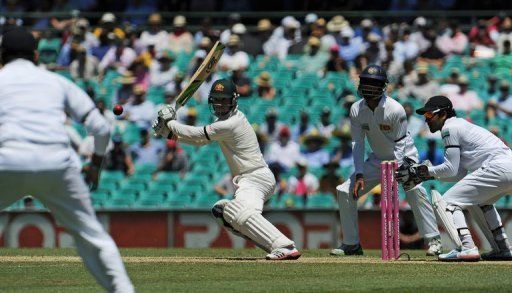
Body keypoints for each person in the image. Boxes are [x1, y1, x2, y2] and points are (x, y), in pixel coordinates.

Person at [0, 28, 133, 292]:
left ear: (1, 55)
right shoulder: (55, 82)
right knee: (93, 236)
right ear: (36, 55)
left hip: (7, 162)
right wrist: (95, 166)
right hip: (57, 164)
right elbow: (102, 128)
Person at [152, 78, 301, 260]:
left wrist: (170, 122)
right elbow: (199, 141)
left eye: (224, 100)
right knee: (224, 211)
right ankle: (274, 247)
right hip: (252, 178)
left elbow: (197, 133)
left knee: (235, 210)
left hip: (256, 177)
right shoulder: (225, 123)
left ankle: (285, 246)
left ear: (234, 100)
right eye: (216, 100)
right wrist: (167, 132)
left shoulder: (231, 123)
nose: (220, 105)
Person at [330, 65, 441, 257]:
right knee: (344, 191)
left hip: (405, 157)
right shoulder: (357, 109)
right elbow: (358, 142)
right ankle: (351, 244)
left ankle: (434, 241)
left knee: (414, 190)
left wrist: (396, 174)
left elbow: (400, 145)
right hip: (377, 159)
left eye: (373, 83)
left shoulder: (395, 109)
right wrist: (359, 173)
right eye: (365, 82)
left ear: (382, 86)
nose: (367, 86)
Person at [408, 95, 512, 261]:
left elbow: (449, 169)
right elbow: (457, 173)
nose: (426, 120)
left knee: (447, 202)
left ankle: (468, 247)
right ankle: (503, 248)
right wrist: (428, 175)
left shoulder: (450, 128)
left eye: (429, 115)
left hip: (497, 167)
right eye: (424, 116)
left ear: (443, 114)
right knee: (481, 202)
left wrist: (426, 171)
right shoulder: (459, 126)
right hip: (506, 167)